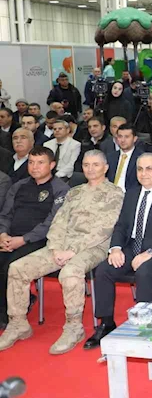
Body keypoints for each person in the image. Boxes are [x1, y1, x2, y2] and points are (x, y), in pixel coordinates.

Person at [0, 150, 123, 353]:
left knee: (70, 272)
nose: (90, 169)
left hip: (94, 247)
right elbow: (59, 221)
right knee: (18, 268)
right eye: (86, 165)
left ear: (106, 167)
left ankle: (74, 328)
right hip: (62, 245)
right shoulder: (74, 192)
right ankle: (18, 323)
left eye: (96, 165)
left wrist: (71, 251)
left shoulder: (114, 193)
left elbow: (103, 229)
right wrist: (56, 246)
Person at [85, 154, 152, 349]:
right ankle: (106, 323)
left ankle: (144, 324)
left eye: (149, 168)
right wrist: (115, 248)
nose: (144, 173)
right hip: (132, 246)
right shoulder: (131, 193)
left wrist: (149, 253)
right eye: (140, 169)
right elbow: (121, 225)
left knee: (144, 271)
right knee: (104, 270)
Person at [0, 147, 69, 329]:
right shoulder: (19, 186)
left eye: (40, 163)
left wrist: (23, 239)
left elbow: (51, 223)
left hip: (39, 241)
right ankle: (21, 299)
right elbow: (5, 214)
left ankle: (7, 315)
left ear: (52, 165)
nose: (34, 167)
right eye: (31, 162)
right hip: (10, 238)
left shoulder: (61, 189)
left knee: (9, 267)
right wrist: (3, 234)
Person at [106, 124, 145, 192]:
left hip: (131, 194)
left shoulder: (142, 158)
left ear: (135, 139)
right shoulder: (110, 157)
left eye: (127, 137)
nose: (123, 140)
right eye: (120, 136)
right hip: (110, 193)